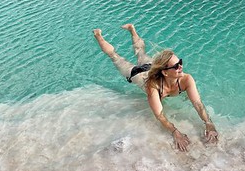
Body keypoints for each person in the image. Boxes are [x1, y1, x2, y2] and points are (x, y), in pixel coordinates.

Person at [93, 23, 219, 151]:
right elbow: (159, 115)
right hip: (138, 74)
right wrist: (175, 131)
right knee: (115, 57)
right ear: (165, 72)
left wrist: (208, 123)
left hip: (151, 66)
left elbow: (197, 103)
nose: (180, 66)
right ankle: (98, 35)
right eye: (176, 66)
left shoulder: (187, 79)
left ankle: (132, 29)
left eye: (179, 62)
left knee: (141, 53)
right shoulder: (153, 87)